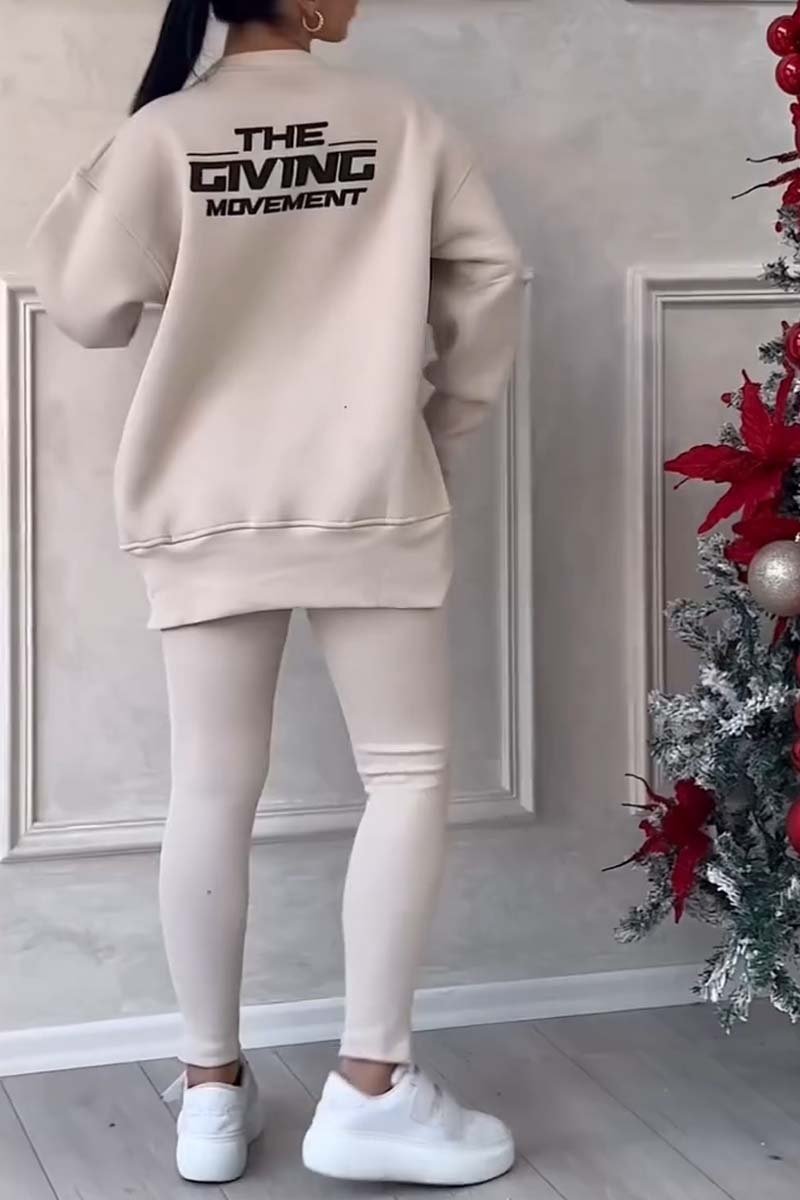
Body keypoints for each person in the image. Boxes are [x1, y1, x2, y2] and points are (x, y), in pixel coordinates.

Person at [28, 0, 524, 1188]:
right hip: (367, 489)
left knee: (209, 783)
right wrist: (434, 436)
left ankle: (208, 1094)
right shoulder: (399, 122)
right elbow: (491, 282)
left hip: (205, 499)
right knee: (403, 773)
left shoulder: (165, 133)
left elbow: (83, 303)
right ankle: (370, 1089)